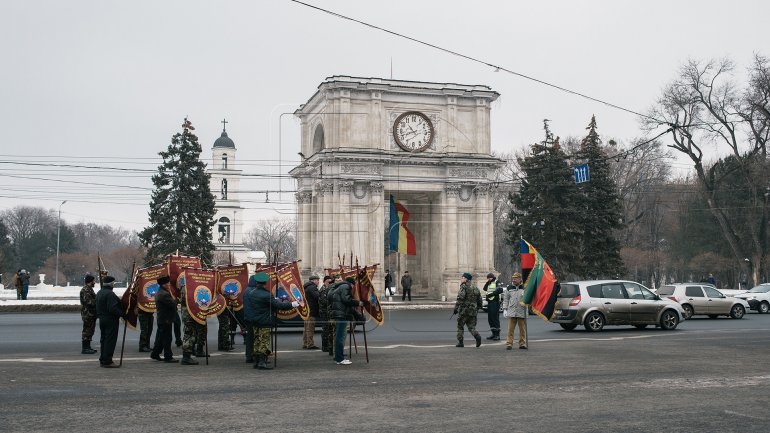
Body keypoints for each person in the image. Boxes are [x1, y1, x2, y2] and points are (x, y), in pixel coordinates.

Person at [244, 272, 299, 370]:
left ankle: (257, 361)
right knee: (264, 342)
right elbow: (279, 306)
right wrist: (292, 304)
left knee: (256, 341)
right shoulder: (266, 294)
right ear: (265, 283)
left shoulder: (252, 293)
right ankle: (262, 362)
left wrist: (273, 301)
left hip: (255, 320)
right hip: (264, 321)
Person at [330, 276, 363, 365]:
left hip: (340, 314)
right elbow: (346, 300)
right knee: (340, 337)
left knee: (339, 336)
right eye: (353, 285)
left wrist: (358, 316)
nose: (353, 288)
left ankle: (338, 357)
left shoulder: (339, 287)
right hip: (341, 315)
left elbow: (347, 305)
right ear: (351, 284)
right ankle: (339, 359)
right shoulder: (346, 286)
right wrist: (357, 302)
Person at [150, 275, 179, 362]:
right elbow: (173, 304)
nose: (169, 284)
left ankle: (155, 353)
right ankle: (168, 356)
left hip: (163, 318)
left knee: (161, 337)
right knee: (167, 338)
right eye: (168, 283)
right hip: (166, 319)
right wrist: (176, 299)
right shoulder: (164, 294)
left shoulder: (161, 292)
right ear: (164, 284)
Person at [96, 275, 123, 367]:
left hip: (102, 319)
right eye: (113, 283)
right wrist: (123, 314)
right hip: (110, 320)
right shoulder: (110, 294)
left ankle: (103, 359)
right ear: (111, 284)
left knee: (104, 340)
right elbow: (113, 308)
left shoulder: (100, 292)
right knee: (110, 340)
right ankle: (108, 360)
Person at [454, 272, 482, 348]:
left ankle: (460, 342)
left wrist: (456, 308)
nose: (461, 279)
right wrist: (478, 307)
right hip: (473, 310)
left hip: (464, 310)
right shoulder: (475, 287)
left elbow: (460, 298)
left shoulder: (464, 286)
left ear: (466, 279)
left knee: (460, 326)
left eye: (462, 277)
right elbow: (479, 299)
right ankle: (477, 336)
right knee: (471, 327)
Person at [502, 272, 528, 350]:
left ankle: (522, 344)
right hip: (512, 311)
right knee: (510, 330)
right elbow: (506, 299)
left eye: (515, 278)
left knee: (522, 330)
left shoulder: (525, 288)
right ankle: (509, 344)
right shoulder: (509, 288)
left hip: (521, 311)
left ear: (520, 279)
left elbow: (529, 299)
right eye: (513, 278)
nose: (514, 280)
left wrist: (527, 303)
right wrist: (505, 309)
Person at [79, 274, 98, 354]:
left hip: (91, 314)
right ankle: (85, 348)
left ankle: (88, 347)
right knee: (87, 331)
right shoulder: (86, 290)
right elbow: (89, 302)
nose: (95, 282)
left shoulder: (89, 289)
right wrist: (98, 301)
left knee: (90, 331)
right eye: (94, 281)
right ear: (90, 281)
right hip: (88, 314)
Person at [302, 275, 321, 350]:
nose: (318, 282)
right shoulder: (312, 287)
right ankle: (310, 344)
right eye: (317, 280)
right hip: (311, 310)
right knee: (310, 328)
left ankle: (305, 343)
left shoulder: (306, 287)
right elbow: (318, 296)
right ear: (313, 281)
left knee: (306, 328)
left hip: (307, 310)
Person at [483, 272, 503, 340]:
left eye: (489, 278)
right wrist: (487, 282)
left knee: (495, 318)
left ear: (492, 277)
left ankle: (497, 335)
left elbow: (500, 290)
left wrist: (492, 294)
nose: (488, 279)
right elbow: (484, 289)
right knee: (490, 319)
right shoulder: (489, 283)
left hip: (495, 302)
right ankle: (493, 333)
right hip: (490, 302)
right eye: (488, 278)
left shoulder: (497, 281)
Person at [318, 275, 334, 354]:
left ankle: (328, 346)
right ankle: (325, 346)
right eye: (328, 282)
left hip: (327, 312)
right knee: (326, 329)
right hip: (324, 312)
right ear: (324, 281)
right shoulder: (324, 289)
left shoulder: (328, 289)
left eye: (330, 282)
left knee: (329, 329)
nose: (329, 283)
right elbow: (325, 301)